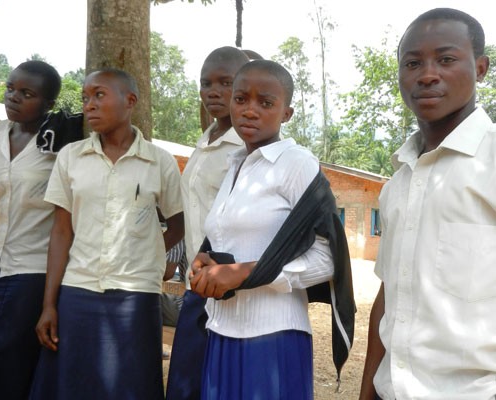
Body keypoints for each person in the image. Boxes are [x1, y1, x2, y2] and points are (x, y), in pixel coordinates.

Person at [190, 59, 354, 400]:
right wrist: (206, 260)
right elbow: (227, 236)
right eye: (241, 99)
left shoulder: (295, 164)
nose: (250, 110)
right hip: (222, 328)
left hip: (272, 336)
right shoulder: (236, 165)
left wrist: (245, 273)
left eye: (265, 103)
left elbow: (329, 256)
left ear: (287, 113)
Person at [359, 8, 495, 400]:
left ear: (481, 68)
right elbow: (389, 298)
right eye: (413, 63)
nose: (427, 74)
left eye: (447, 59)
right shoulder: (398, 184)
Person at [29, 68, 184, 399]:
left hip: (136, 296)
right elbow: (60, 232)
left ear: (130, 101)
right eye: (85, 98)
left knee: (132, 385)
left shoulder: (159, 162)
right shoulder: (72, 157)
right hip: (77, 291)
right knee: (72, 385)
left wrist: (151, 250)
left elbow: (179, 223)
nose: (89, 105)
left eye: (99, 95)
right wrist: (49, 304)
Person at [165, 46, 250, 400]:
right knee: (185, 380)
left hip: (229, 287)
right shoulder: (204, 143)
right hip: (194, 284)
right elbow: (191, 211)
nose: (213, 91)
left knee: (218, 382)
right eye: (206, 83)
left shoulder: (246, 147)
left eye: (225, 83)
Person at [0, 60, 83, 400]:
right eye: (10, 89)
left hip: (28, 271)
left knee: (12, 362)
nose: (14, 97)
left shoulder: (61, 149)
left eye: (27, 93)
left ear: (48, 104)